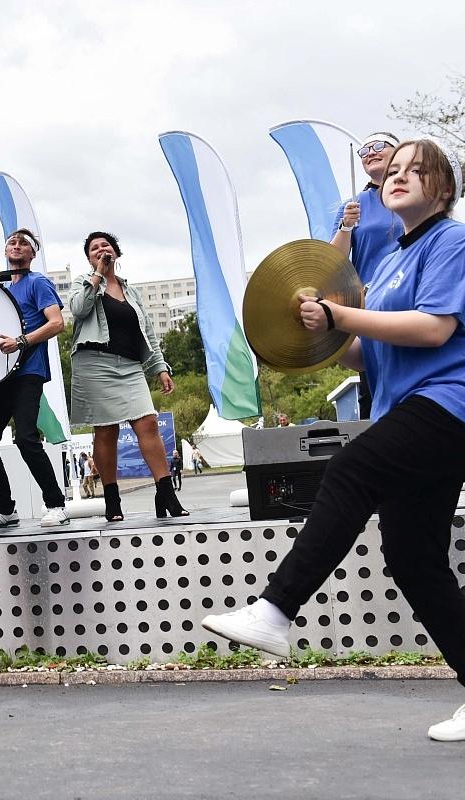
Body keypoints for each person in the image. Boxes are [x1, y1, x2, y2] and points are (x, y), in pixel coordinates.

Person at [202, 139, 465, 743]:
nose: (396, 177)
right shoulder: (388, 260)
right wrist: (317, 334)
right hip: (411, 408)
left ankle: (276, 609)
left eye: (414, 169)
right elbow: (370, 353)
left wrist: (341, 315)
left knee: (350, 468)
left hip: (449, 404)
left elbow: (433, 329)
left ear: (444, 188)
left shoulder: (451, 241)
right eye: (391, 171)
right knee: (414, 559)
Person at [69, 231, 187, 522]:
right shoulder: (84, 282)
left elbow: (147, 333)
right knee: (106, 430)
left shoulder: (131, 292)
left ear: (116, 253)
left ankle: (166, 493)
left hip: (131, 366)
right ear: (89, 258)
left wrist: (160, 368)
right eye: (94, 248)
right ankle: (112, 500)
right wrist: (97, 275)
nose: (101, 249)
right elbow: (78, 309)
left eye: (105, 245)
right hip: (95, 364)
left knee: (148, 422)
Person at [0, 228, 69, 529]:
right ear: (5, 251)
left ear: (32, 253)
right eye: (11, 242)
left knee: (26, 438)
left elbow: (57, 323)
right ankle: (5, 509)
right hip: (4, 376)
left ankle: (56, 505)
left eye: (23, 243)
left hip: (29, 373)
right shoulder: (1, 290)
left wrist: (21, 341)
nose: (16, 246)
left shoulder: (37, 282)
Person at [332, 131, 404, 420]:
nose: (370, 152)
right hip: (371, 301)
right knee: (374, 381)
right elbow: (333, 260)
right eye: (364, 150)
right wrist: (346, 226)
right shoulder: (354, 205)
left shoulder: (414, 195)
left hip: (412, 295)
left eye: (378, 146)